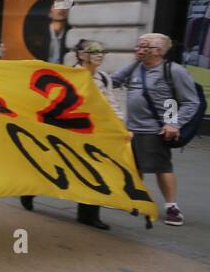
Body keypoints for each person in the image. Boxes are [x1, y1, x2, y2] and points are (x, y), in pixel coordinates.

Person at [111, 33, 199, 227]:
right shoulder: (136, 67)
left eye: (144, 46)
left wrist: (174, 124)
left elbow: (191, 102)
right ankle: (135, 200)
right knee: (134, 167)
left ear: (158, 51)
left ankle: (172, 208)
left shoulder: (174, 71)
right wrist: (135, 60)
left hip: (155, 129)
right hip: (131, 128)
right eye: (138, 45)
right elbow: (112, 82)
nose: (138, 49)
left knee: (162, 167)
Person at [67, 39, 125, 230]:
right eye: (94, 51)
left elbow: (111, 103)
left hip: (95, 132)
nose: (100, 55)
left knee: (96, 170)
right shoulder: (68, 75)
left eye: (102, 51)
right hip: (70, 130)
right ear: (82, 55)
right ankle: (31, 192)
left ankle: (89, 214)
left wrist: (120, 125)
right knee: (63, 168)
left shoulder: (104, 78)